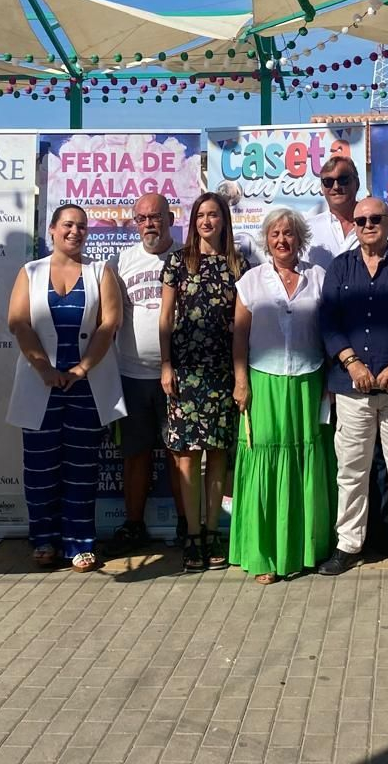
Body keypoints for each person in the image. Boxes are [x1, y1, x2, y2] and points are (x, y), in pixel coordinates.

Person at [316, 196, 388, 581]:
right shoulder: (339, 268)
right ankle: (348, 545)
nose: (368, 224)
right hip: (352, 388)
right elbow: (327, 321)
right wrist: (351, 361)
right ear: (353, 224)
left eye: (376, 218)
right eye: (362, 219)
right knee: (351, 470)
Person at [5, 204, 126, 573]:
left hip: (87, 387)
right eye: (68, 225)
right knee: (39, 469)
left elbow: (109, 324)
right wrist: (43, 366)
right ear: (53, 230)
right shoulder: (30, 271)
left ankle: (80, 543)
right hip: (39, 386)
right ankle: (43, 540)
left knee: (81, 468)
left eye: (82, 226)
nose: (76, 232)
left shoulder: (100, 271)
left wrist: (81, 368)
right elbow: (18, 322)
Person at [228, 207, 336, 583]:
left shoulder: (319, 277)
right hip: (264, 382)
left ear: (300, 238)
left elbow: (330, 332)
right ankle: (265, 554)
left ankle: (305, 548)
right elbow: (239, 337)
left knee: (307, 459)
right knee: (265, 459)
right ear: (266, 239)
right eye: (275, 234)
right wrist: (241, 382)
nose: (282, 240)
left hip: (308, 382)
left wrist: (331, 381)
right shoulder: (251, 282)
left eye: (289, 233)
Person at [161, 191, 244, 571]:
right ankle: (192, 534)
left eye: (214, 215)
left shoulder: (238, 264)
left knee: (218, 455)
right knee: (188, 456)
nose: (207, 221)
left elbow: (245, 320)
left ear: (225, 220)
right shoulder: (178, 262)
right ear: (193, 222)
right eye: (200, 216)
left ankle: (213, 533)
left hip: (223, 372)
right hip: (186, 372)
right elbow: (165, 319)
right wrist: (166, 365)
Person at [108, 192, 189, 553]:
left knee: (181, 452)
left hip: (182, 375)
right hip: (132, 374)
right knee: (135, 454)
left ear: (170, 219)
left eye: (155, 217)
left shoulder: (191, 256)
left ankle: (189, 525)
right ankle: (133, 524)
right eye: (141, 218)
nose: (148, 224)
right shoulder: (119, 262)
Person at [304, 154, 388, 269]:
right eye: (328, 181)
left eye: (343, 180)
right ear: (322, 188)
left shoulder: (378, 221)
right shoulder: (309, 228)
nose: (336, 186)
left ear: (357, 184)